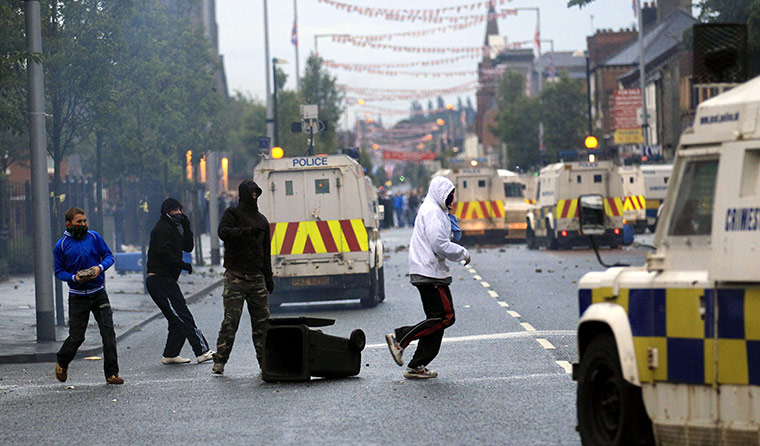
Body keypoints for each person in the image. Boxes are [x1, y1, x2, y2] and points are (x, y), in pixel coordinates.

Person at [385, 176, 470, 379]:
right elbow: (439, 243)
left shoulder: (435, 210)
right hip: (429, 272)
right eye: (450, 195)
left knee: (436, 320)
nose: (453, 199)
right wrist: (462, 253)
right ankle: (400, 339)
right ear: (442, 194)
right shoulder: (433, 212)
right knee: (445, 317)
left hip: (429, 270)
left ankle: (417, 364)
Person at [54, 207, 123, 385]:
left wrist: (100, 267)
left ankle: (112, 374)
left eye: (85, 221)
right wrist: (73, 277)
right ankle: (62, 361)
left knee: (108, 332)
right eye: (79, 222)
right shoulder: (61, 245)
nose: (83, 224)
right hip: (77, 296)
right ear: (69, 224)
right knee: (77, 337)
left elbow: (109, 256)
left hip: (98, 293)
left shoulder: (94, 237)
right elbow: (59, 271)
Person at [212, 180, 274, 375]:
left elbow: (266, 251)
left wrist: (268, 276)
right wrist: (247, 232)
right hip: (235, 275)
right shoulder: (232, 214)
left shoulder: (262, 220)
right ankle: (220, 360)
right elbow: (223, 232)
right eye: (251, 193)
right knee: (231, 321)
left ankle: (265, 362)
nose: (254, 196)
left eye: (256, 193)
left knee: (262, 323)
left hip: (256, 276)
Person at [146, 198, 214, 365]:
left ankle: (171, 354)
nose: (179, 213)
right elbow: (163, 253)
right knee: (182, 315)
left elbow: (188, 247)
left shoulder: (173, 229)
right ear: (167, 212)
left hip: (167, 280)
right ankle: (202, 350)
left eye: (180, 210)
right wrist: (181, 264)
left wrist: (187, 227)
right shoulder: (162, 229)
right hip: (159, 280)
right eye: (175, 210)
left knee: (177, 318)